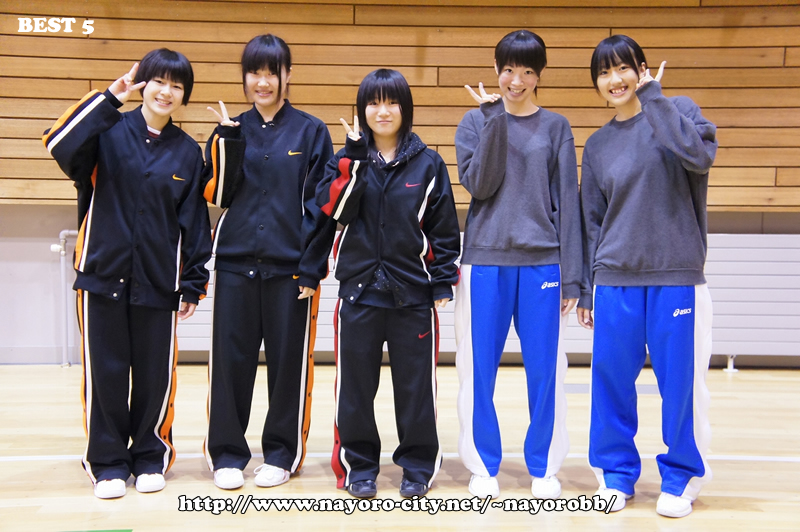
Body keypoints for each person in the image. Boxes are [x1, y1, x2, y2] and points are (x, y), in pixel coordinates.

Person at [43, 49, 211, 499]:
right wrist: (109, 98)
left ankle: (150, 457)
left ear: (184, 96)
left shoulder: (188, 152)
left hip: (158, 283)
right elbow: (58, 144)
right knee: (107, 377)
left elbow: (195, 223)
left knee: (155, 377)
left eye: (177, 86)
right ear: (143, 84)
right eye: (159, 81)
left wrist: (193, 282)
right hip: (101, 277)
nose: (166, 92)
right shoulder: (106, 130)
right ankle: (108, 463)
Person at [577, 34, 717, 518]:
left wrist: (655, 99)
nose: (614, 80)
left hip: (676, 277)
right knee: (611, 383)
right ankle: (616, 475)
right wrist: (588, 288)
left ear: (641, 70)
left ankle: (681, 477)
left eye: (623, 68)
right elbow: (591, 222)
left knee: (680, 386)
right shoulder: (597, 145)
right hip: (615, 280)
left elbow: (699, 156)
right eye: (604, 73)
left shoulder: (679, 110)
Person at [316, 69, 461, 499]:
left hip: (412, 295)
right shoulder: (344, 160)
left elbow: (443, 230)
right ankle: (359, 466)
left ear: (405, 108)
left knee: (416, 390)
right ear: (362, 110)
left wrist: (441, 282)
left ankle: (417, 466)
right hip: (358, 293)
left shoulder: (429, 164)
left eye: (391, 101)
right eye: (373, 102)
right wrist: (354, 161)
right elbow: (335, 212)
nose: (383, 111)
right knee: (355, 390)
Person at [201, 34, 333, 490]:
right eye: (254, 73)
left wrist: (312, 268)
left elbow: (322, 208)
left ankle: (281, 454)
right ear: (244, 78)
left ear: (287, 76)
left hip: (289, 271)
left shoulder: (311, 131)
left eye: (271, 72)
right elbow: (217, 195)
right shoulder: (230, 129)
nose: (262, 82)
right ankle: (226, 455)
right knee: (229, 366)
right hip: (235, 265)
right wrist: (227, 143)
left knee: (287, 366)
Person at [453, 30, 581, 500]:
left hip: (542, 264)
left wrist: (573, 277)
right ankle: (482, 464)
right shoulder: (475, 121)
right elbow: (480, 185)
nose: (516, 80)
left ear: (539, 76)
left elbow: (568, 203)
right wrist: (494, 123)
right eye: (508, 69)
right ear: (496, 70)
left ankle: (544, 466)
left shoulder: (556, 127)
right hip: (485, 262)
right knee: (479, 369)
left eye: (527, 71)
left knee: (545, 372)